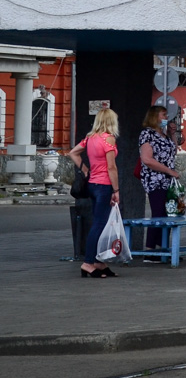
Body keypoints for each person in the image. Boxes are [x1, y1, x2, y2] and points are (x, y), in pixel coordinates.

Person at [68, 108, 121, 278]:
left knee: (99, 224)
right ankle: (88, 262)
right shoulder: (109, 139)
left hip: (92, 184)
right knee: (99, 224)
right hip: (104, 185)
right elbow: (111, 167)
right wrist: (116, 190)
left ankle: (98, 261)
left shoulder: (90, 138)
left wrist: (85, 170)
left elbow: (73, 153)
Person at [138, 105, 180, 254]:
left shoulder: (164, 135)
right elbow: (147, 159)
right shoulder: (147, 134)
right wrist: (169, 171)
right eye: (163, 115)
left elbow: (172, 151)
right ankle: (150, 250)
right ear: (154, 117)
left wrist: (172, 134)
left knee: (169, 213)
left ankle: (163, 248)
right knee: (158, 213)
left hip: (168, 181)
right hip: (155, 180)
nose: (166, 118)